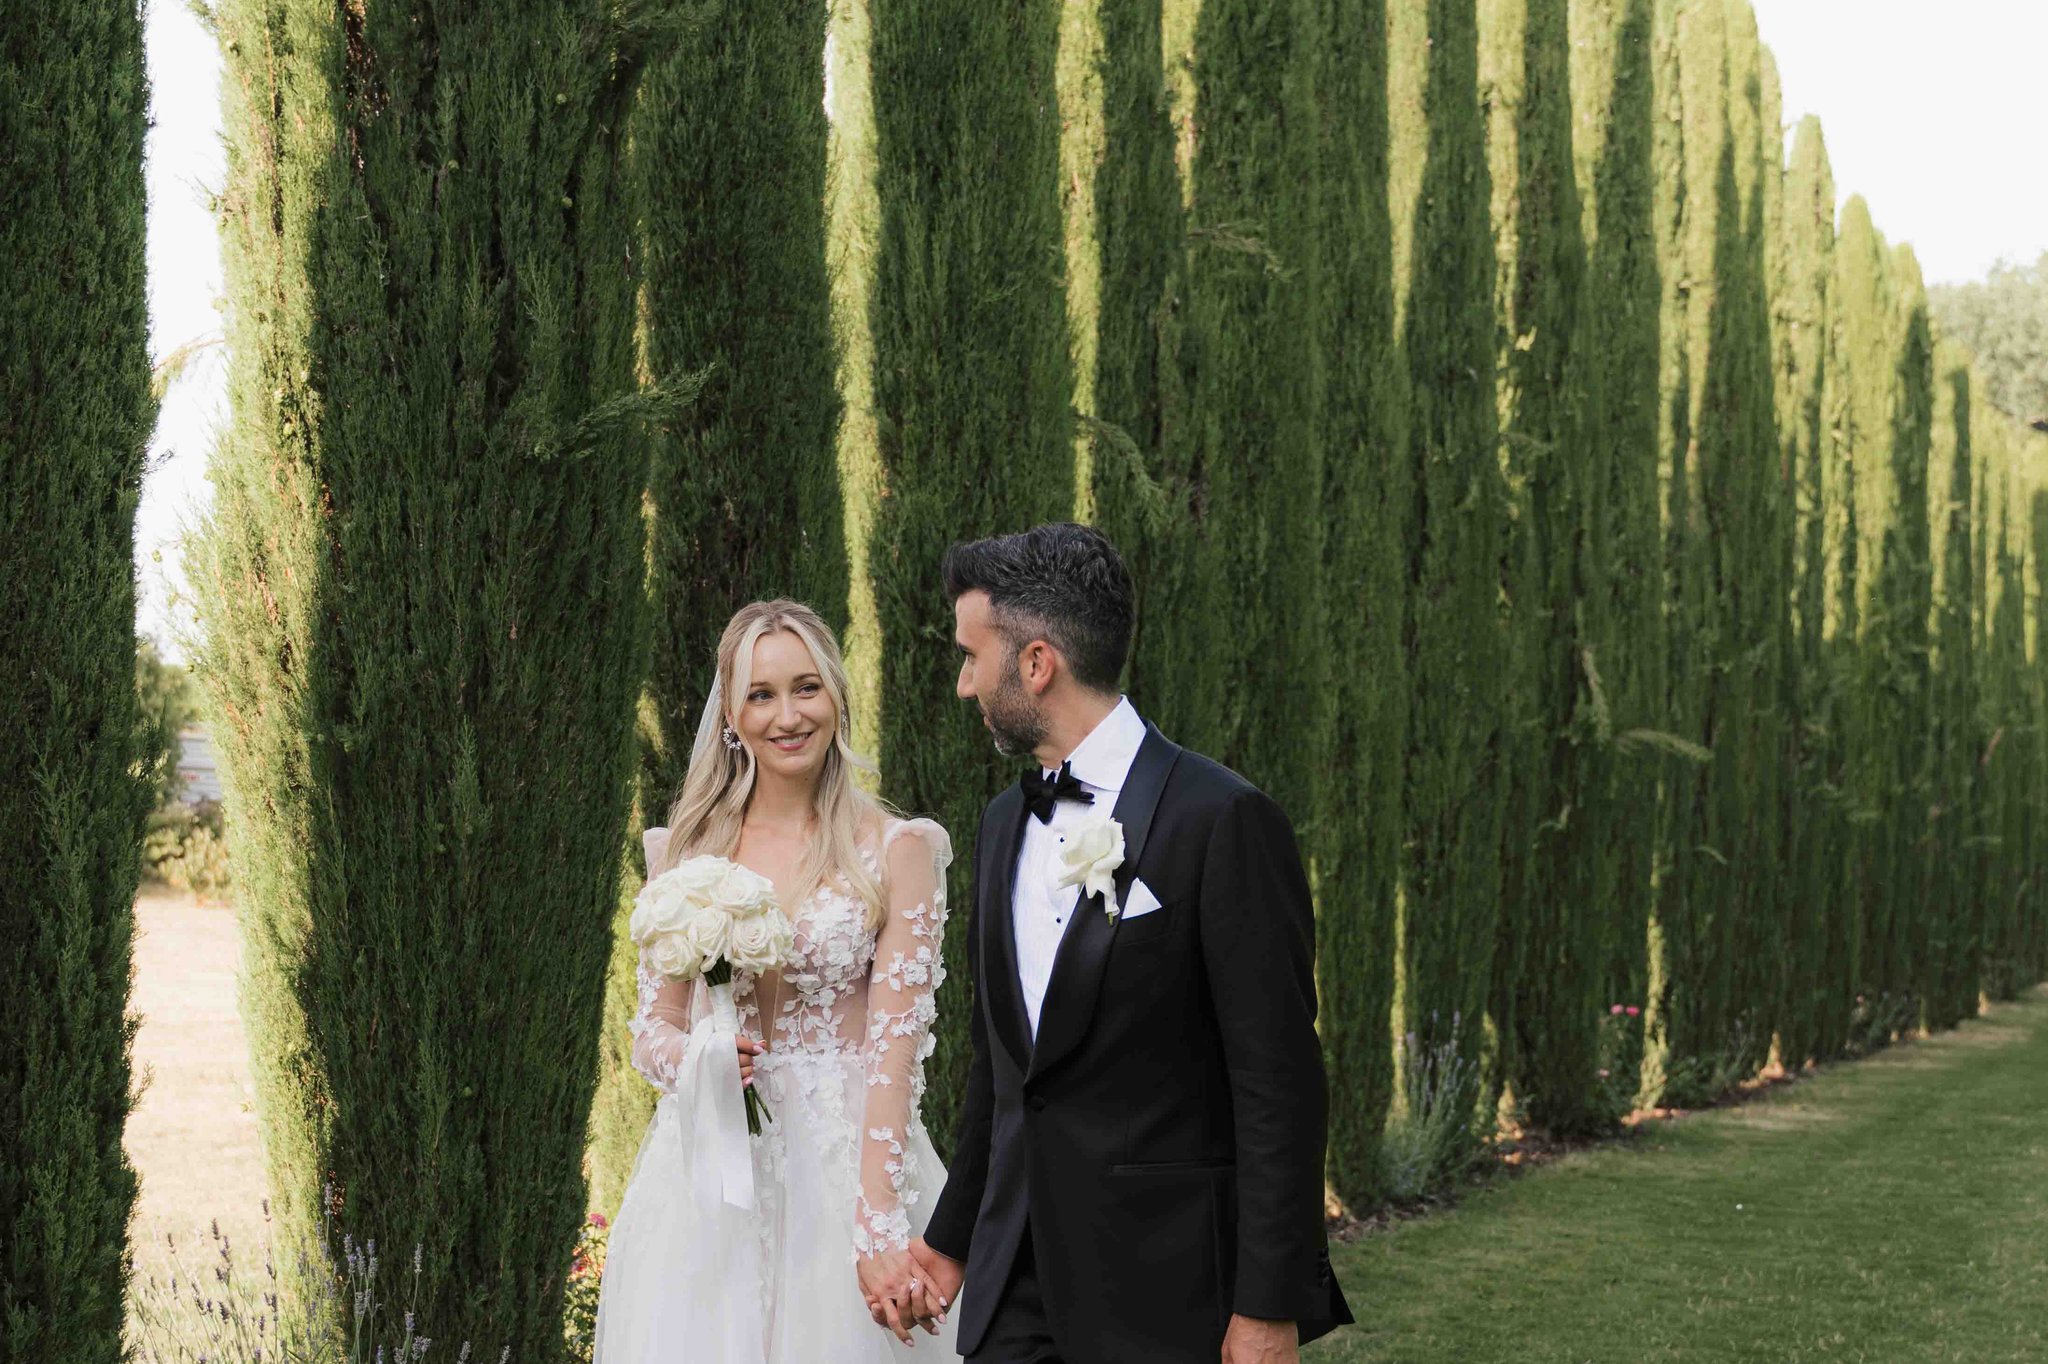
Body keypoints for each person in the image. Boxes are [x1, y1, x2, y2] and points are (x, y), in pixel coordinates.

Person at [892, 523, 1353, 1363]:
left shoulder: (1223, 820)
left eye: (971, 656)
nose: (963, 684)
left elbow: (1278, 1086)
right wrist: (953, 1240)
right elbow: (1003, 1071)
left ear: (1037, 664)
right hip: (1012, 1292)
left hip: (1165, 1296)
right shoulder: (1001, 823)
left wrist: (1269, 1305)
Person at [593, 599, 959, 1362]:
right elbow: (650, 1033)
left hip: (844, 1170)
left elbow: (896, 1054)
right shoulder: (687, 851)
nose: (787, 716)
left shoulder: (897, 850)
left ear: (836, 697)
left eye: (806, 688)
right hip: (708, 1180)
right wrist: (700, 1057)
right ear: (732, 715)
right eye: (761, 694)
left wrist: (877, 1221)